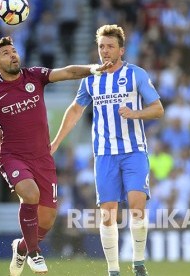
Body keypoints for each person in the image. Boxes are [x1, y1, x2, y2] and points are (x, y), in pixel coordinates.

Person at [0, 36, 112, 275]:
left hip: (43, 158)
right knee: (30, 193)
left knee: (46, 221)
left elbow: (67, 72)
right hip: (13, 156)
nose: (13, 55)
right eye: (5, 53)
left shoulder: (34, 75)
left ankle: (21, 247)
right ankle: (35, 253)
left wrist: (93, 69)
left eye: (13, 51)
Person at [50, 24, 164, 276]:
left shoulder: (136, 74)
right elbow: (75, 110)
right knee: (107, 214)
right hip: (104, 154)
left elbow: (157, 108)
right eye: (101, 46)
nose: (105, 51)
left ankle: (138, 263)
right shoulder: (91, 78)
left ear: (121, 50)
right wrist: (56, 142)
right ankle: (113, 269)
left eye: (110, 46)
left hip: (134, 151)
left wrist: (135, 113)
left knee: (137, 204)